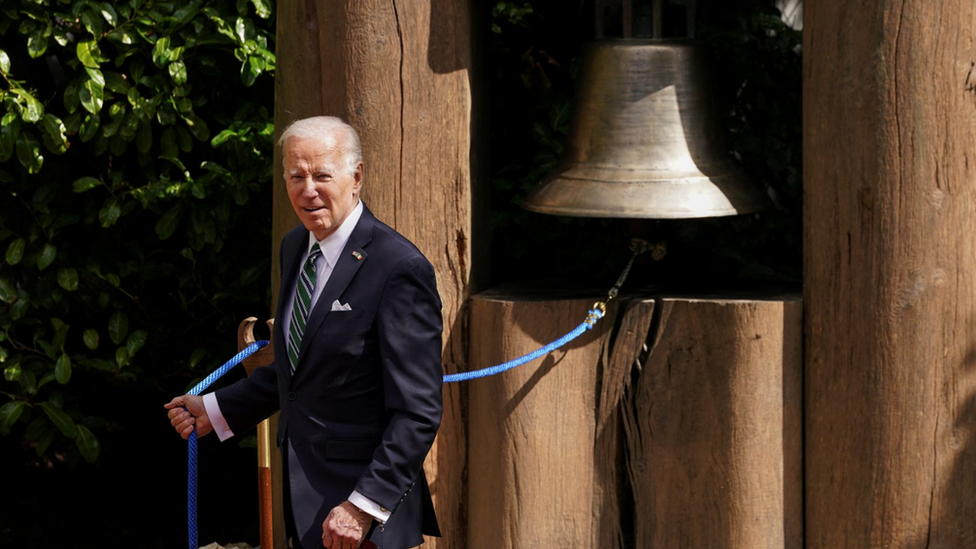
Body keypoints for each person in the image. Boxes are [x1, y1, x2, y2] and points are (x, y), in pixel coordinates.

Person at [165, 116, 444, 549]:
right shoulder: (295, 246)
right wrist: (217, 410)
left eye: (321, 175)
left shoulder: (399, 268)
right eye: (296, 176)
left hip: (363, 520)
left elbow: (418, 412)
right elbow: (299, 374)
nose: (307, 190)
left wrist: (363, 506)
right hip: (304, 503)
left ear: (357, 176)